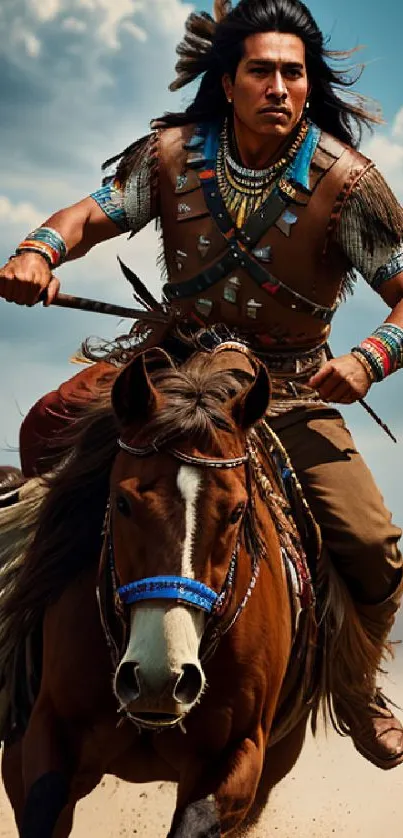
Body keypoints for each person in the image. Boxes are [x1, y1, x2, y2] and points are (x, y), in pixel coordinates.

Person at [1, 0, 403, 769]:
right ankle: (19, 657)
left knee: (374, 546)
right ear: (227, 83)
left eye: (293, 73)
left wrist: (365, 360)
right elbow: (90, 214)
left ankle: (356, 691)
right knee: (48, 428)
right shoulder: (172, 156)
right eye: (262, 71)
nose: (280, 87)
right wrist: (39, 251)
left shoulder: (347, 186)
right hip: (170, 374)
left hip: (282, 397)